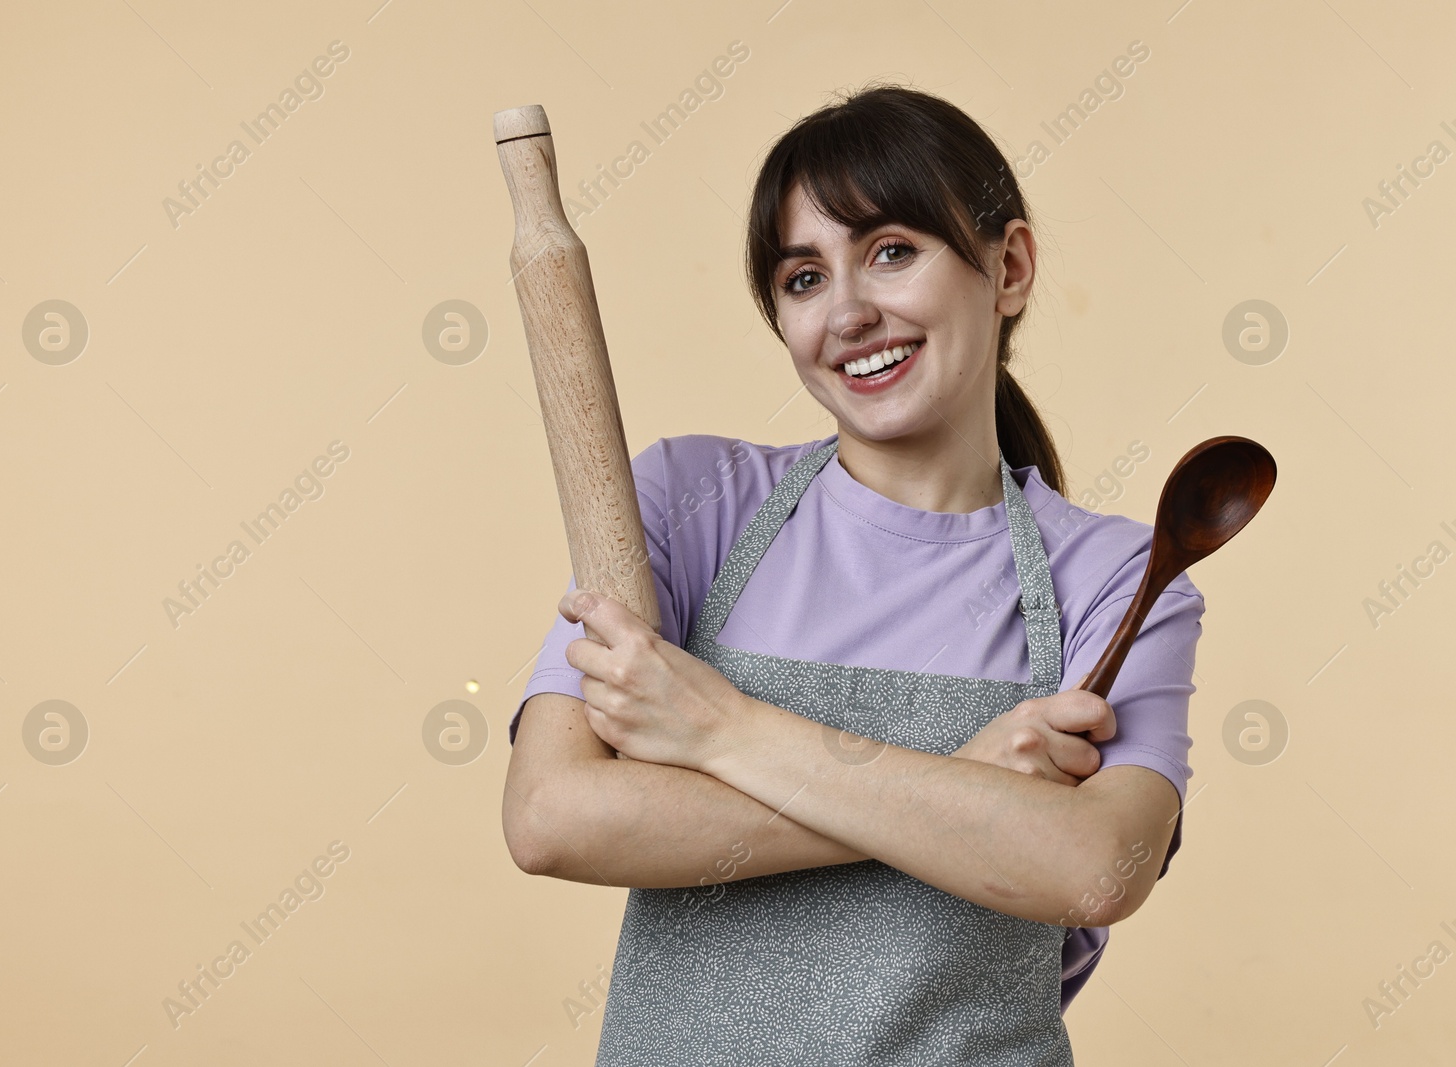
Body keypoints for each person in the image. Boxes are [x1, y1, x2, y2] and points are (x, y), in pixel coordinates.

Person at [501, 83, 1202, 1066]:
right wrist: (967, 790)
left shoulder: (1118, 572)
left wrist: (720, 730)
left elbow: (1098, 863)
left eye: (890, 252)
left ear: (1007, 267)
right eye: (801, 278)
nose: (848, 312)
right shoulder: (691, 500)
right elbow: (553, 816)